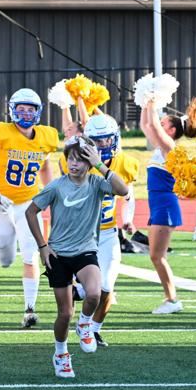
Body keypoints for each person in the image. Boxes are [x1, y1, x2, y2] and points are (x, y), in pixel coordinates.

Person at [25, 136, 128, 378]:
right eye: (71, 158)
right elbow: (31, 212)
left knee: (94, 292)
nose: (74, 164)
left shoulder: (96, 182)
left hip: (85, 250)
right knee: (64, 313)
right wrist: (42, 246)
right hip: (58, 254)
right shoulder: (57, 186)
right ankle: (60, 353)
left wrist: (100, 164)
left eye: (81, 160)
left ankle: (85, 324)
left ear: (90, 162)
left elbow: (122, 190)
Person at [0, 88, 58, 327]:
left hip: (29, 204)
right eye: (21, 109)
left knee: (30, 255)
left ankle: (29, 309)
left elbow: (44, 166)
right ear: (12, 110)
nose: (26, 114)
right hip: (1, 203)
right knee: (6, 260)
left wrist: (50, 192)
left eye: (30, 109)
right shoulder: (2, 133)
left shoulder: (45, 137)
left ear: (38, 112)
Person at [59, 114, 138, 346]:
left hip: (108, 233)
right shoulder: (76, 161)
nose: (103, 145)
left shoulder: (125, 162)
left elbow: (128, 195)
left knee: (107, 287)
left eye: (106, 140)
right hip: (82, 236)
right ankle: (81, 317)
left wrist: (128, 219)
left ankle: (93, 329)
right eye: (97, 140)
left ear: (115, 139)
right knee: (89, 288)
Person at [140, 97, 196, 314]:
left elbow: (153, 125)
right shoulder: (160, 147)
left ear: (172, 130)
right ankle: (171, 299)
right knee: (155, 256)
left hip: (165, 204)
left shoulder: (169, 146)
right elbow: (147, 126)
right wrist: (146, 103)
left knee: (157, 256)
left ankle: (172, 300)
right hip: (158, 205)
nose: (160, 125)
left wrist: (153, 103)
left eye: (165, 124)